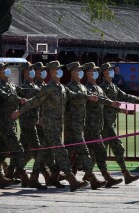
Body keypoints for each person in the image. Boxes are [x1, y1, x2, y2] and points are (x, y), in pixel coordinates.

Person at [11, 60, 97, 192]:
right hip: (51, 125)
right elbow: (34, 101)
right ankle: (71, 179)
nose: (60, 71)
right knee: (61, 151)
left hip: (58, 124)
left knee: (43, 152)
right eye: (57, 69)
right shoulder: (48, 88)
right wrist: (19, 112)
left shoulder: (61, 87)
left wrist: (88, 97)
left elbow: (74, 95)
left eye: (60, 68)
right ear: (52, 72)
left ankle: (33, 179)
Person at [100, 62, 139, 184]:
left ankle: (86, 173)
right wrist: (119, 109)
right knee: (117, 147)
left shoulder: (113, 86)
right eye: (109, 70)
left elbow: (124, 96)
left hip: (111, 122)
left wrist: (138, 101)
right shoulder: (102, 88)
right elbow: (105, 103)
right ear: (104, 73)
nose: (112, 72)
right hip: (105, 123)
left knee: (100, 151)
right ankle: (124, 174)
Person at [64, 61, 106, 190]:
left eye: (80, 70)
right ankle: (92, 178)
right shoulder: (69, 87)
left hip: (80, 124)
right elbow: (74, 100)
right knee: (84, 151)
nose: (80, 72)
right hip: (72, 125)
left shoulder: (82, 86)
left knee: (67, 152)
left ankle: (53, 176)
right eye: (77, 70)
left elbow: (94, 97)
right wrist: (87, 97)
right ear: (72, 72)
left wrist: (113, 104)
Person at [83, 62, 123, 187]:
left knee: (93, 152)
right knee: (97, 151)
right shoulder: (87, 88)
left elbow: (104, 99)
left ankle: (87, 176)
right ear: (88, 73)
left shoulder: (98, 88)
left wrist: (114, 105)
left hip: (98, 125)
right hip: (90, 125)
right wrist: (111, 103)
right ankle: (102, 177)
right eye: (93, 71)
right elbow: (98, 99)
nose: (95, 72)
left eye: (96, 70)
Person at [0, 62, 29, 187]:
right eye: (5, 69)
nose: (8, 70)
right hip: (5, 123)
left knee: (1, 151)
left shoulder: (11, 85)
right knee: (18, 149)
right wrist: (18, 99)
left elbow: (23, 91)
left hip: (12, 122)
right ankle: (22, 175)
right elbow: (6, 96)